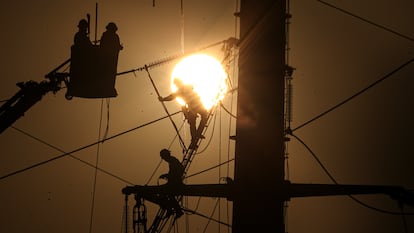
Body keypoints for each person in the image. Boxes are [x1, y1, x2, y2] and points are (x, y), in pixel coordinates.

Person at [159, 79, 208, 147]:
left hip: (196, 105)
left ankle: (197, 135)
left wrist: (163, 99)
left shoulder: (184, 88)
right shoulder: (181, 90)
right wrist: (163, 99)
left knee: (200, 118)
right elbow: (171, 97)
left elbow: (171, 97)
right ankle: (195, 138)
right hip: (194, 106)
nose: (177, 85)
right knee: (195, 121)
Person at [159, 149, 184, 219]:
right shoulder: (172, 161)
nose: (162, 158)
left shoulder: (173, 161)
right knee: (166, 194)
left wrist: (166, 176)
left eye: (162, 156)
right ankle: (170, 209)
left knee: (167, 193)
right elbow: (173, 173)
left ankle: (173, 210)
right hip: (174, 182)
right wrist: (167, 175)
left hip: (175, 183)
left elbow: (175, 173)